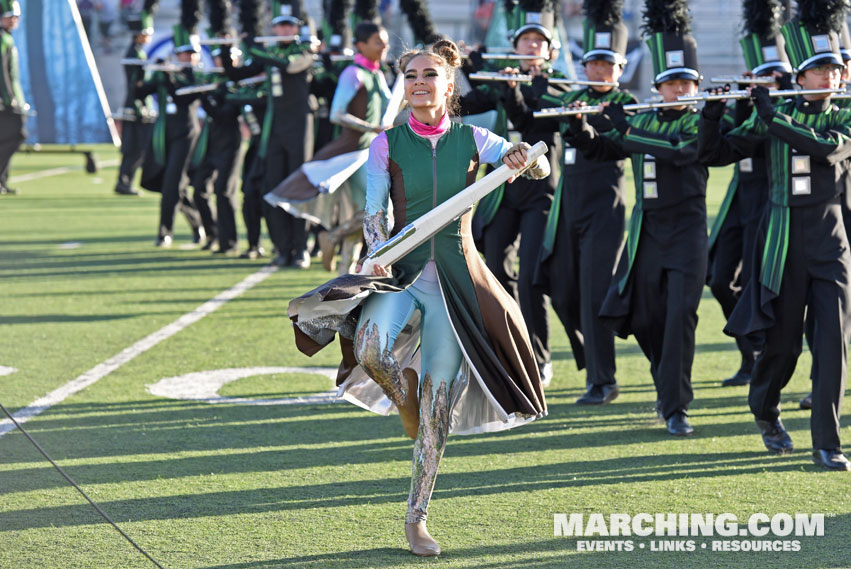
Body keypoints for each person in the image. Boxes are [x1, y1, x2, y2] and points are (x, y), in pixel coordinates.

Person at [287, 39, 546, 556]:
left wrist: (523, 158)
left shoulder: (475, 138)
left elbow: (537, 170)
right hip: (400, 273)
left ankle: (416, 518)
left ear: (448, 85)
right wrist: (376, 250)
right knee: (371, 350)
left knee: (437, 415)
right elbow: (374, 210)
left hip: (457, 281)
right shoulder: (386, 144)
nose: (420, 83)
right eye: (411, 76)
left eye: (430, 75)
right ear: (403, 87)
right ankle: (402, 393)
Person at [698, 1, 851, 471]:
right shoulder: (773, 113)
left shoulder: (842, 117)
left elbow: (825, 150)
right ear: (799, 78)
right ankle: (766, 412)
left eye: (834, 69)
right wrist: (712, 113)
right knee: (781, 346)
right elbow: (716, 153)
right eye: (816, 70)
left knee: (831, 345)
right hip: (781, 245)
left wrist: (771, 117)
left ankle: (827, 442)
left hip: (831, 242)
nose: (827, 77)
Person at [566, 0, 707, 436]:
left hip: (687, 235)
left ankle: (676, 405)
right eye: (671, 83)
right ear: (659, 88)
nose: (680, 91)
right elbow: (602, 150)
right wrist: (582, 129)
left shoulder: (699, 125)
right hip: (647, 235)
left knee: (681, 315)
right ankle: (667, 381)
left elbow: (682, 153)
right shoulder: (643, 119)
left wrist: (626, 130)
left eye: (687, 83)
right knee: (646, 318)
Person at [532, 0, 637, 404]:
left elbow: (615, 143)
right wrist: (535, 86)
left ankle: (603, 380)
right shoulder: (574, 95)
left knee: (595, 294)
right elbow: (542, 109)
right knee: (559, 289)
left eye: (607, 65)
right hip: (568, 209)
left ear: (620, 69)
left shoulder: (626, 105)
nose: (598, 70)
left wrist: (584, 124)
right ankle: (588, 357)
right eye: (593, 63)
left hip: (604, 212)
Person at [460, 0, 564, 386]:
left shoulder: (558, 86)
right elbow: (468, 104)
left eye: (539, 43)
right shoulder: (507, 81)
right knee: (496, 271)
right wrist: (465, 68)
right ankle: (509, 347)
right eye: (525, 41)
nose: (531, 47)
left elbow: (527, 118)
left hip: (540, 192)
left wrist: (505, 87)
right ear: (516, 46)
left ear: (550, 51)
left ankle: (540, 357)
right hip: (503, 189)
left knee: (532, 275)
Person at [266, 21, 391, 274]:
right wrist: (371, 128)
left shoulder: (377, 74)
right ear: (361, 45)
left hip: (374, 153)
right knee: (377, 214)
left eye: (385, 41)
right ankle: (333, 238)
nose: (384, 46)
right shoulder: (352, 74)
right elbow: (336, 114)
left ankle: (344, 277)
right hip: (356, 152)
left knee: (365, 216)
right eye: (378, 41)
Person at [223, 3, 315, 268]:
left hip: (299, 130)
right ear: (273, 28)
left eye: (289, 25)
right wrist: (229, 48)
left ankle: (300, 249)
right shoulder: (268, 54)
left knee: (299, 188)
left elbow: (288, 65)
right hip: (274, 132)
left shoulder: (304, 51)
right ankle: (282, 247)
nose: (284, 29)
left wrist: (254, 47)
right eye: (280, 25)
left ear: (297, 29)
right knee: (272, 188)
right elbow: (236, 73)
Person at [137, 23, 204, 247]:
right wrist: (144, 70)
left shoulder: (196, 77)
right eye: (183, 53)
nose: (186, 57)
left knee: (172, 182)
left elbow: (182, 97)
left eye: (190, 54)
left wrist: (168, 75)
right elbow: (139, 92)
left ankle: (165, 232)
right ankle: (199, 225)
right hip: (163, 133)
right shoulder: (165, 74)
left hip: (186, 132)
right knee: (175, 183)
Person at [114, 10, 155, 196]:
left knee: (137, 148)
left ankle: (125, 182)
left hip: (137, 104)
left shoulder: (138, 53)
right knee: (135, 148)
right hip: (136, 106)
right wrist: (139, 106)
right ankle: (124, 182)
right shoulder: (134, 54)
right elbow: (135, 85)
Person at [0, 0, 25, 197]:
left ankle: (3, 180)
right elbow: (2, 73)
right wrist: (9, 98)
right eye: (10, 16)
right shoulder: (2, 39)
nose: (14, 20)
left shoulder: (7, 38)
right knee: (15, 136)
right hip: (5, 101)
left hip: (11, 97)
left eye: (16, 16)